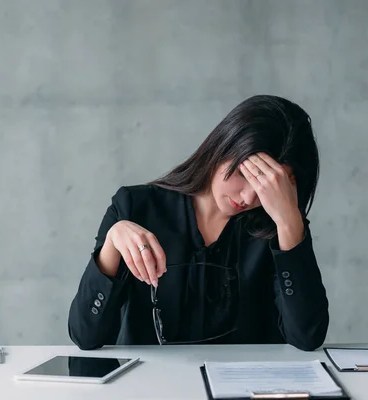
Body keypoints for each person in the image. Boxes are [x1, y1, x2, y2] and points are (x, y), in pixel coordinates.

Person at [68, 94, 329, 351]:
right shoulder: (135, 207)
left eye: (267, 185)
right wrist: (112, 246)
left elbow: (306, 337)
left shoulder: (279, 230)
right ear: (222, 147)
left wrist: (288, 222)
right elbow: (85, 336)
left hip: (245, 387)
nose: (249, 197)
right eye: (243, 174)